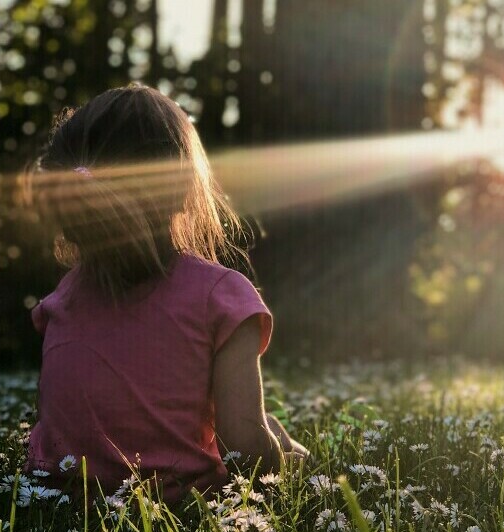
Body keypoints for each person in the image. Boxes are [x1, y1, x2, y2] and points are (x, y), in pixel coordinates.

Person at [21, 84, 308, 505]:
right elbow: (244, 449)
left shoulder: (62, 300)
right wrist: (290, 460)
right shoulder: (220, 297)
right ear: (179, 187)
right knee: (272, 435)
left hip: (60, 503)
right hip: (178, 509)